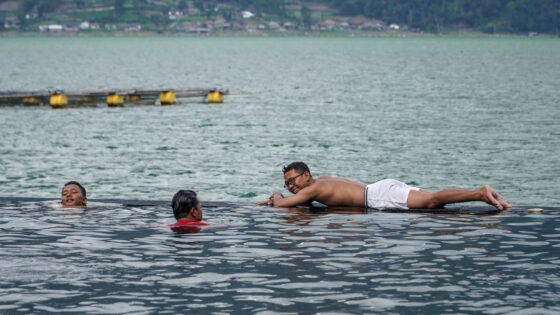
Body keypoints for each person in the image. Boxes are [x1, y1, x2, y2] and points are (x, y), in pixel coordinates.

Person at [258, 161, 511, 211]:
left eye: (292, 180)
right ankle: (482, 193)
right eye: (286, 183)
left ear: (306, 175)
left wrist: (276, 195)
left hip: (378, 196)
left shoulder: (312, 188)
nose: (290, 186)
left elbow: (282, 205)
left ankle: (480, 193)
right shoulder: (321, 181)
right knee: (433, 199)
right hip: (380, 187)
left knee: (433, 201)